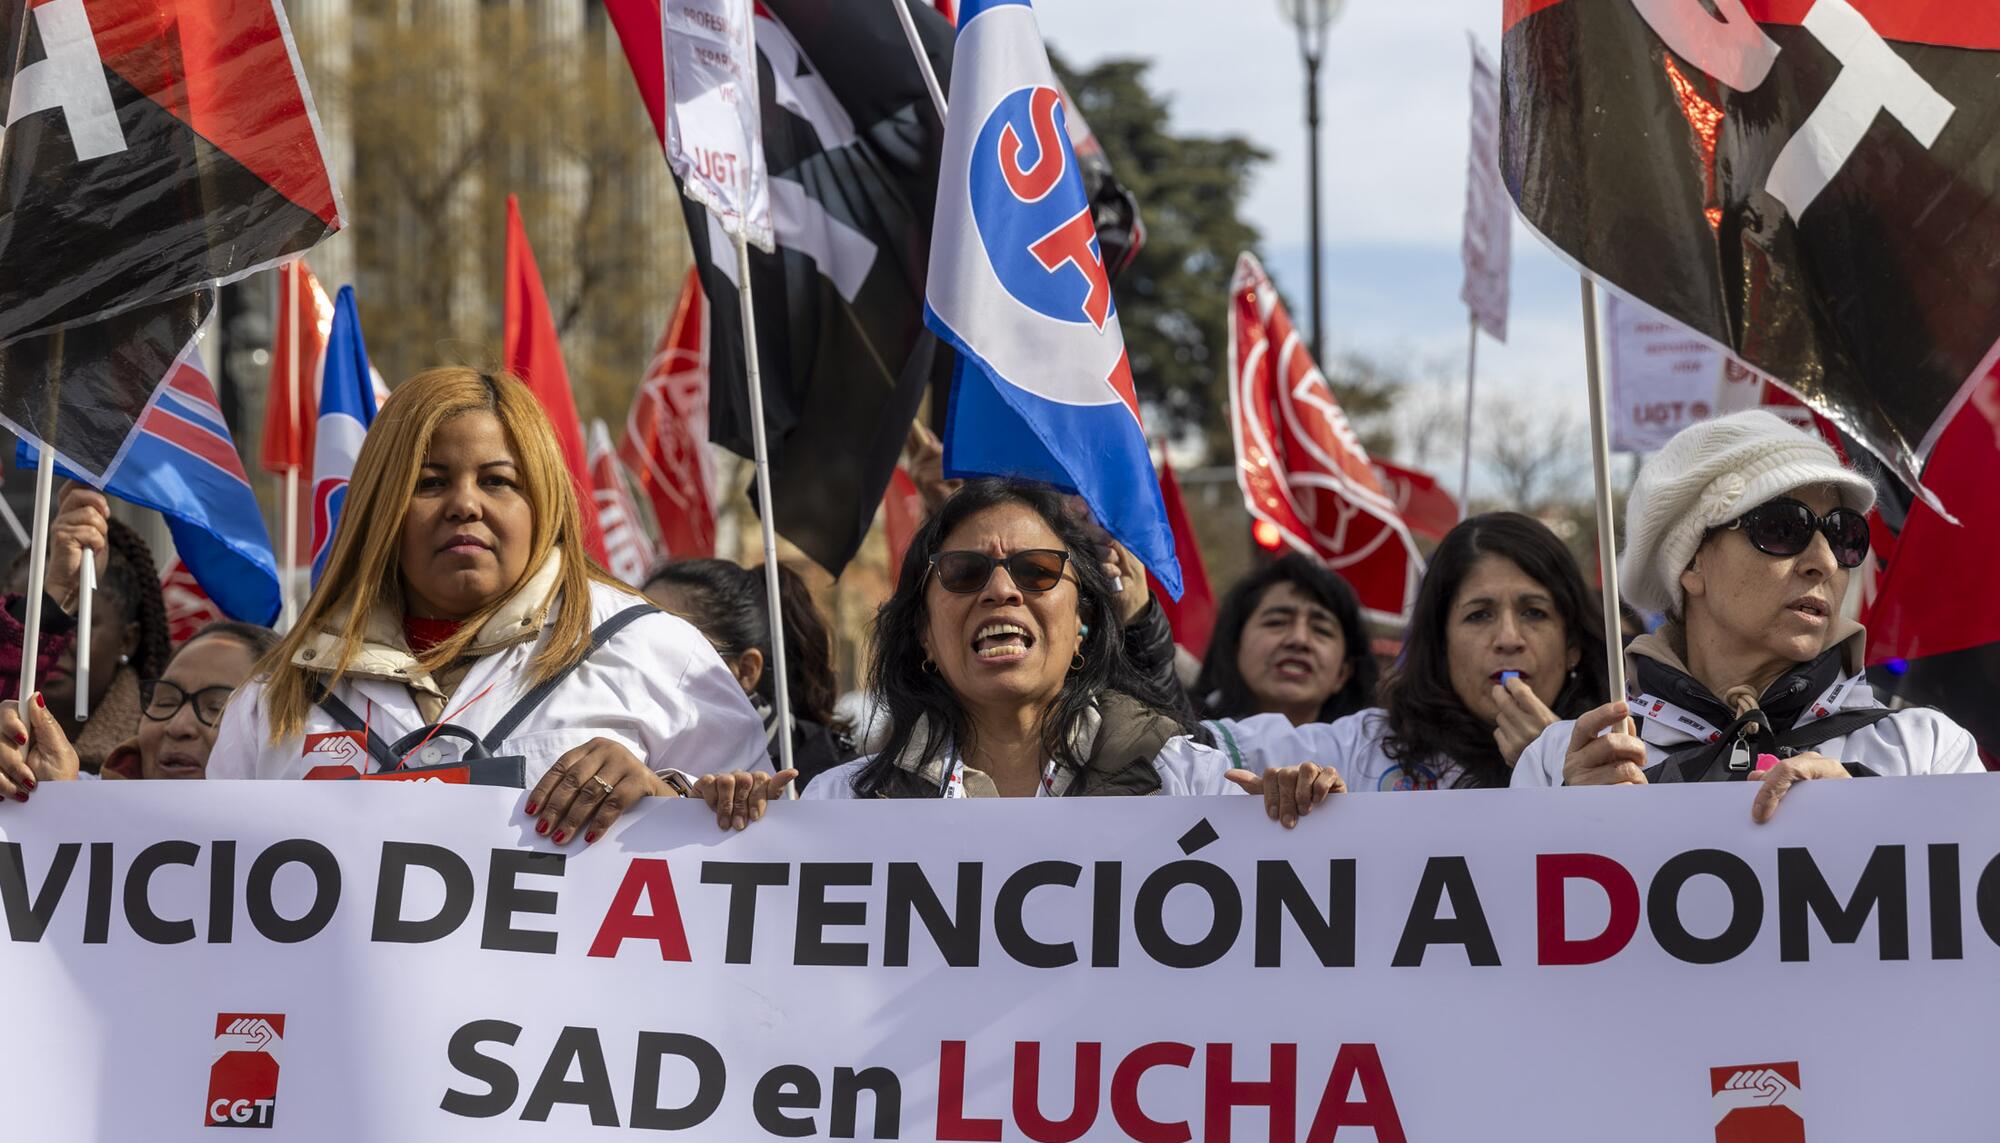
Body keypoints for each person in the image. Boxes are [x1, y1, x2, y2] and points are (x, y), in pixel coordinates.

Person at [208, 368, 767, 846]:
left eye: (498, 481)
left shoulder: (653, 651)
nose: (465, 505)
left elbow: (771, 861)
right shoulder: (279, 692)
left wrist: (664, 791)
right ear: (382, 506)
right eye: (429, 482)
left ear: (542, 502)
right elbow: (216, 888)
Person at [692, 479, 1341, 828]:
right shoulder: (840, 810)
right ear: (922, 634)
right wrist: (718, 826)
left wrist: (1308, 819)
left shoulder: (1192, 786)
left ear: (1084, 617)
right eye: (964, 572)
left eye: (1036, 570)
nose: (1001, 590)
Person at [1516, 410, 1984, 817]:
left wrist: (1874, 824)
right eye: (1783, 528)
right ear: (1692, 562)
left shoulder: (1926, 751)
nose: (1823, 560)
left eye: (1844, 535)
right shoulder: (1566, 761)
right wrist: (1567, 824)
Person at [1214, 513, 1610, 790]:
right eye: (1479, 615)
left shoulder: (1623, 748)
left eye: (1534, 613)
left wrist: (1554, 764)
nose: (1508, 637)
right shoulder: (1363, 750)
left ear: (1572, 646)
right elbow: (1188, 754)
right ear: (1440, 644)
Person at [644, 558, 855, 789]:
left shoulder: (838, 783)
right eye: (627, 639)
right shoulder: (623, 754)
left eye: (663, 649)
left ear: (746, 670)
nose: (635, 663)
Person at [3, 487, 172, 773]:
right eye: (22, 617)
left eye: (76, 620)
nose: (56, 639)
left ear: (128, 640)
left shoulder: (163, 752)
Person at [1192, 553, 1378, 752]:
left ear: (1344, 671)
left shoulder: (1368, 761)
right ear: (1235, 645)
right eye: (1277, 622)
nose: (1298, 640)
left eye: (1321, 630)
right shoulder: (1181, 742)